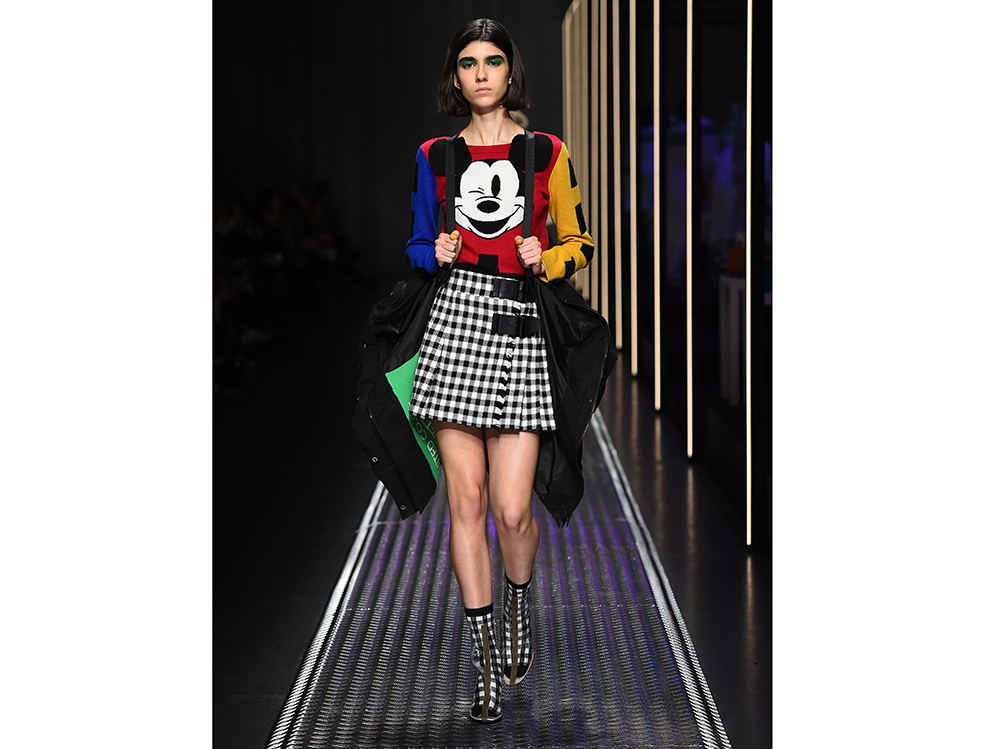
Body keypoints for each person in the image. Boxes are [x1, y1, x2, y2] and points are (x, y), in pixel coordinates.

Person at [404, 18, 594, 723]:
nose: (481, 73)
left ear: (511, 72)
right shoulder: (434, 156)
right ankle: (484, 659)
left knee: (514, 510)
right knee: (468, 502)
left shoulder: (547, 153)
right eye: (468, 62)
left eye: (492, 61)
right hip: (453, 328)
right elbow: (415, 242)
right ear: (455, 77)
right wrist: (433, 253)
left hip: (520, 330)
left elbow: (582, 240)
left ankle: (519, 601)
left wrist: (552, 258)